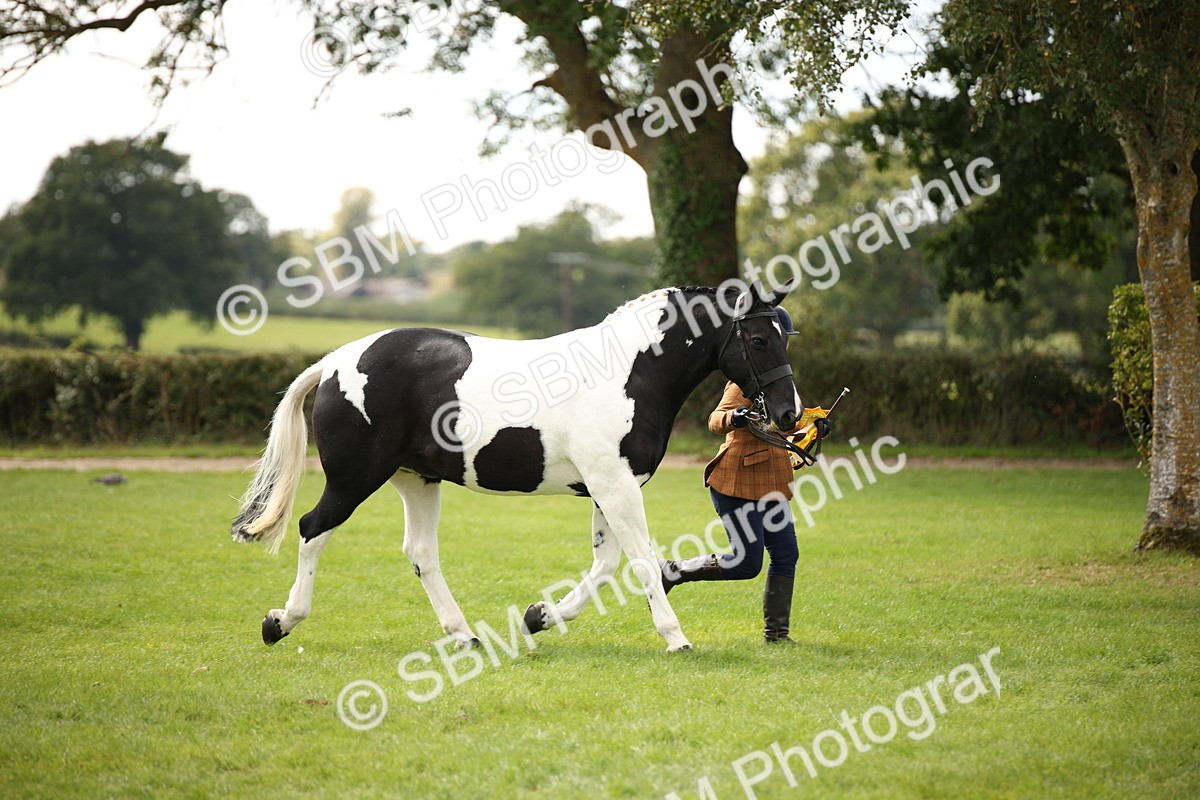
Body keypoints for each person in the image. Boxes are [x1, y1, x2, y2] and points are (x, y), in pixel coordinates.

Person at [660, 306, 804, 644]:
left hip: (771, 481)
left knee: (787, 555)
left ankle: (777, 635)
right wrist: (735, 417)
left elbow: (793, 422)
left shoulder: (781, 381)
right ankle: (674, 570)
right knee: (745, 564)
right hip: (735, 482)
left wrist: (816, 427)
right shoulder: (746, 382)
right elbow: (715, 419)